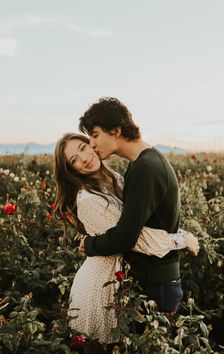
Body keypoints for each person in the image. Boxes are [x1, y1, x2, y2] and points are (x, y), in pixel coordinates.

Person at [54, 133, 199, 354]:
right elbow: (134, 239)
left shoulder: (114, 177)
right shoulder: (88, 200)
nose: (83, 158)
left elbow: (138, 223)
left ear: (92, 145)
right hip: (99, 287)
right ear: (71, 171)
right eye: (73, 160)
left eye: (83, 148)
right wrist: (182, 238)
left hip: (122, 279)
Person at [79, 97, 198, 315]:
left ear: (115, 130)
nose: (92, 144)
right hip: (155, 277)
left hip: (156, 282)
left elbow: (126, 237)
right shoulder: (141, 163)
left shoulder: (147, 168)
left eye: (94, 135)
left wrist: (89, 244)